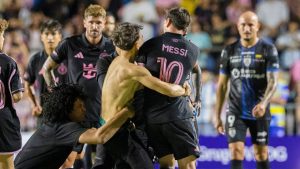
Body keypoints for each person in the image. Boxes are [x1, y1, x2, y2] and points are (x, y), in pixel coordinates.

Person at [101, 22, 191, 169]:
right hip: (118, 132)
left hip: (108, 128)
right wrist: (183, 90)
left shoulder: (116, 62)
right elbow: (168, 90)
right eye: (141, 37)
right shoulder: (134, 70)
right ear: (137, 42)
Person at [42, 4, 115, 169]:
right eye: (91, 22)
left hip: (103, 112)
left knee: (103, 162)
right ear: (84, 23)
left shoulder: (112, 47)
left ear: (104, 24)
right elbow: (46, 69)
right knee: (68, 161)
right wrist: (55, 92)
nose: (95, 26)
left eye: (98, 22)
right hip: (75, 113)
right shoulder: (69, 44)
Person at [135, 7, 201, 169]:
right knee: (188, 165)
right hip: (179, 115)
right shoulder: (193, 50)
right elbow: (197, 70)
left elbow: (138, 82)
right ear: (185, 28)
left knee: (166, 164)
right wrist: (197, 98)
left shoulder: (149, 45)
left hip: (153, 117)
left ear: (168, 21)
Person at [214, 11, 279, 169]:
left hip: (259, 110)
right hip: (235, 111)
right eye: (243, 24)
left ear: (258, 26)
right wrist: (217, 115)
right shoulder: (228, 51)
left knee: (261, 154)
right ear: (238, 26)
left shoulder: (268, 49)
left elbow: (273, 81)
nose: (247, 28)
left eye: (251, 24)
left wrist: (263, 104)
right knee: (236, 151)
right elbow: (222, 85)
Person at [14, 84, 134, 169]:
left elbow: (71, 160)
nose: (84, 109)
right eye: (80, 106)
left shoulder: (55, 125)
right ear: (67, 108)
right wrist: (127, 111)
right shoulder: (64, 128)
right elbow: (100, 137)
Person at [24, 19, 67, 127]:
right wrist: (34, 105)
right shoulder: (35, 59)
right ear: (41, 36)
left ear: (60, 36)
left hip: (66, 115)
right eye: (46, 34)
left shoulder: (68, 58)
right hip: (44, 115)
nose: (50, 38)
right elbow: (27, 84)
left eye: (53, 33)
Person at [0, 18, 24, 169]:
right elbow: (17, 96)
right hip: (3, 123)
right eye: (1, 35)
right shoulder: (8, 62)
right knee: (7, 164)